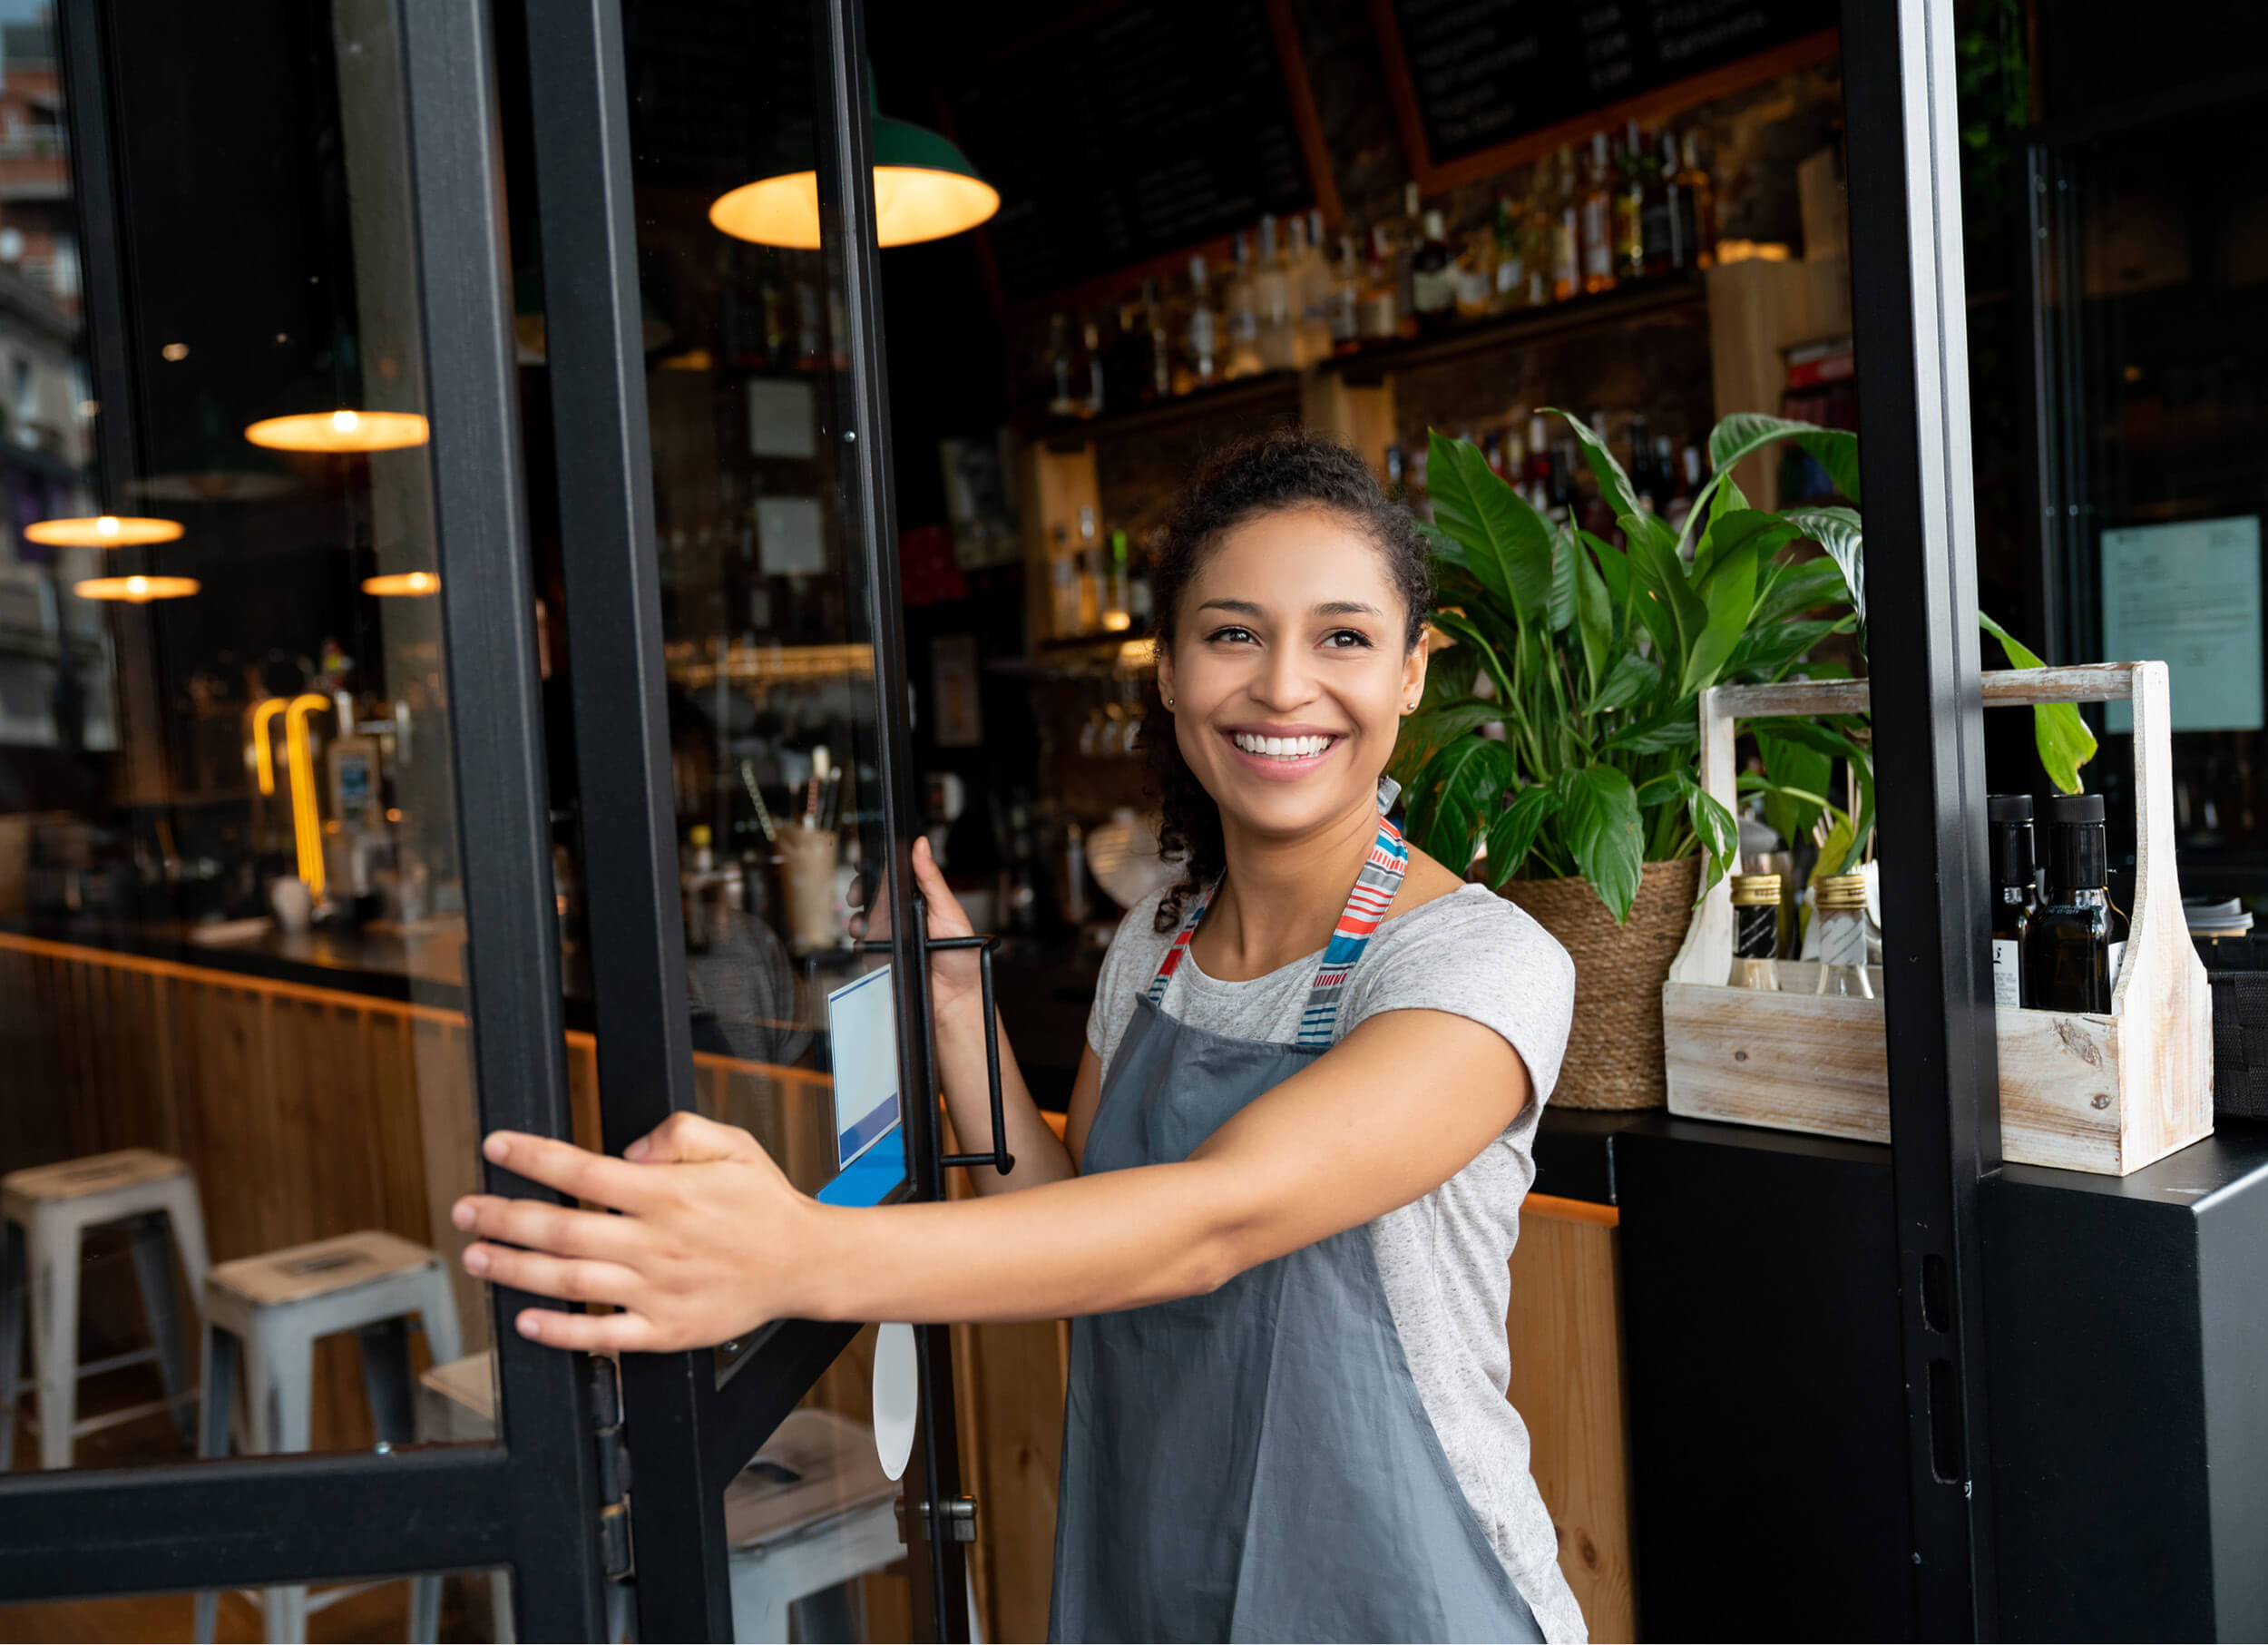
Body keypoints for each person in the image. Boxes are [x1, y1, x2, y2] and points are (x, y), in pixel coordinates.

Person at [451, 429, 1586, 1643]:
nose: (1284, 686)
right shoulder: (1154, 943)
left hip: (1399, 1595)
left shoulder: (1477, 963)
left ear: (1413, 672)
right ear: (1166, 669)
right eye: (1234, 632)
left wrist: (795, 1253)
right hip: (1154, 1570)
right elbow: (1087, 1221)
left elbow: (1213, 1219)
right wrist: (957, 1014)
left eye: (1344, 636)